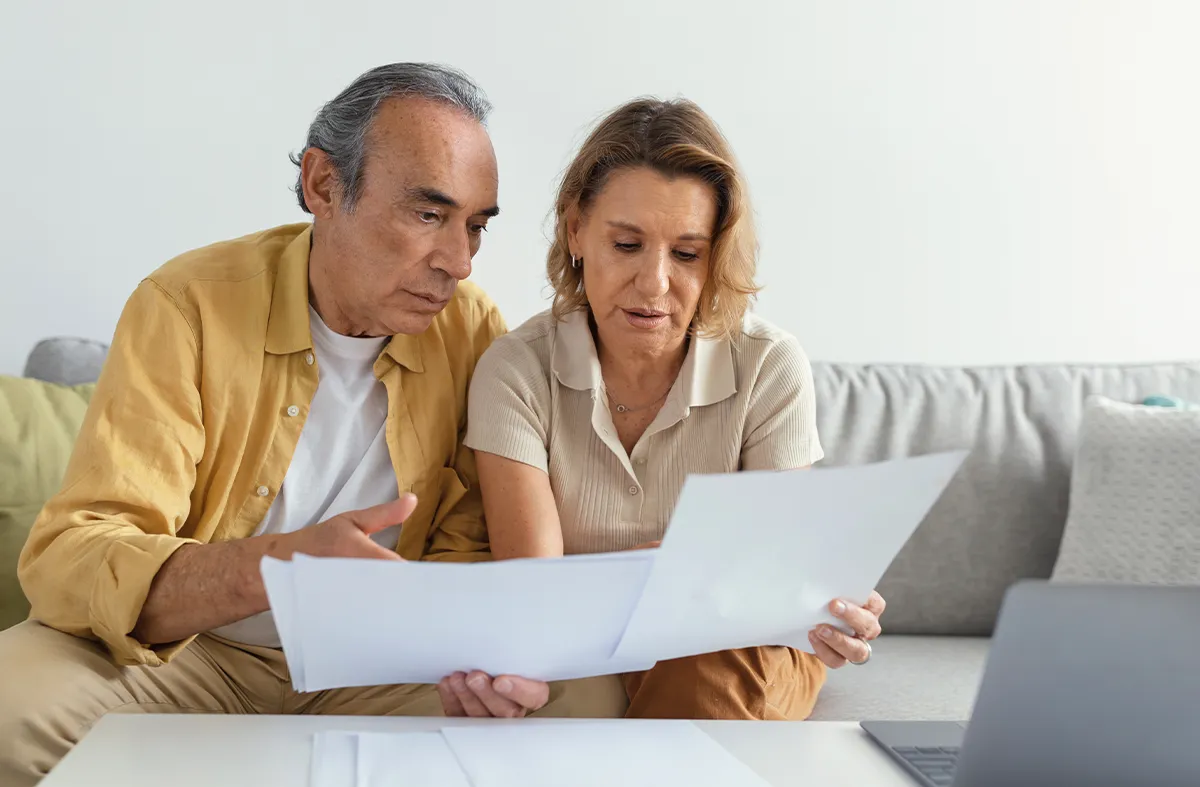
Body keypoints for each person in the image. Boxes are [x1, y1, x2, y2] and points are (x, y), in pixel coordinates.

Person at [0, 63, 624, 787]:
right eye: (428, 215)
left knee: (585, 701)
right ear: (324, 186)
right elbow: (75, 555)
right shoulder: (187, 304)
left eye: (475, 227)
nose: (457, 261)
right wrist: (279, 569)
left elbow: (467, 549)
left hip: (380, 665)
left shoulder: (474, 331)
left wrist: (482, 661)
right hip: (193, 653)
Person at [449, 97, 886, 720]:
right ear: (576, 230)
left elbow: (765, 585)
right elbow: (534, 600)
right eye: (627, 244)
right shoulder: (516, 370)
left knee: (715, 661)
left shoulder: (769, 365)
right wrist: (693, 564)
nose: (655, 283)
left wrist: (826, 602)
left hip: (734, 646)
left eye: (687, 254)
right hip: (587, 650)